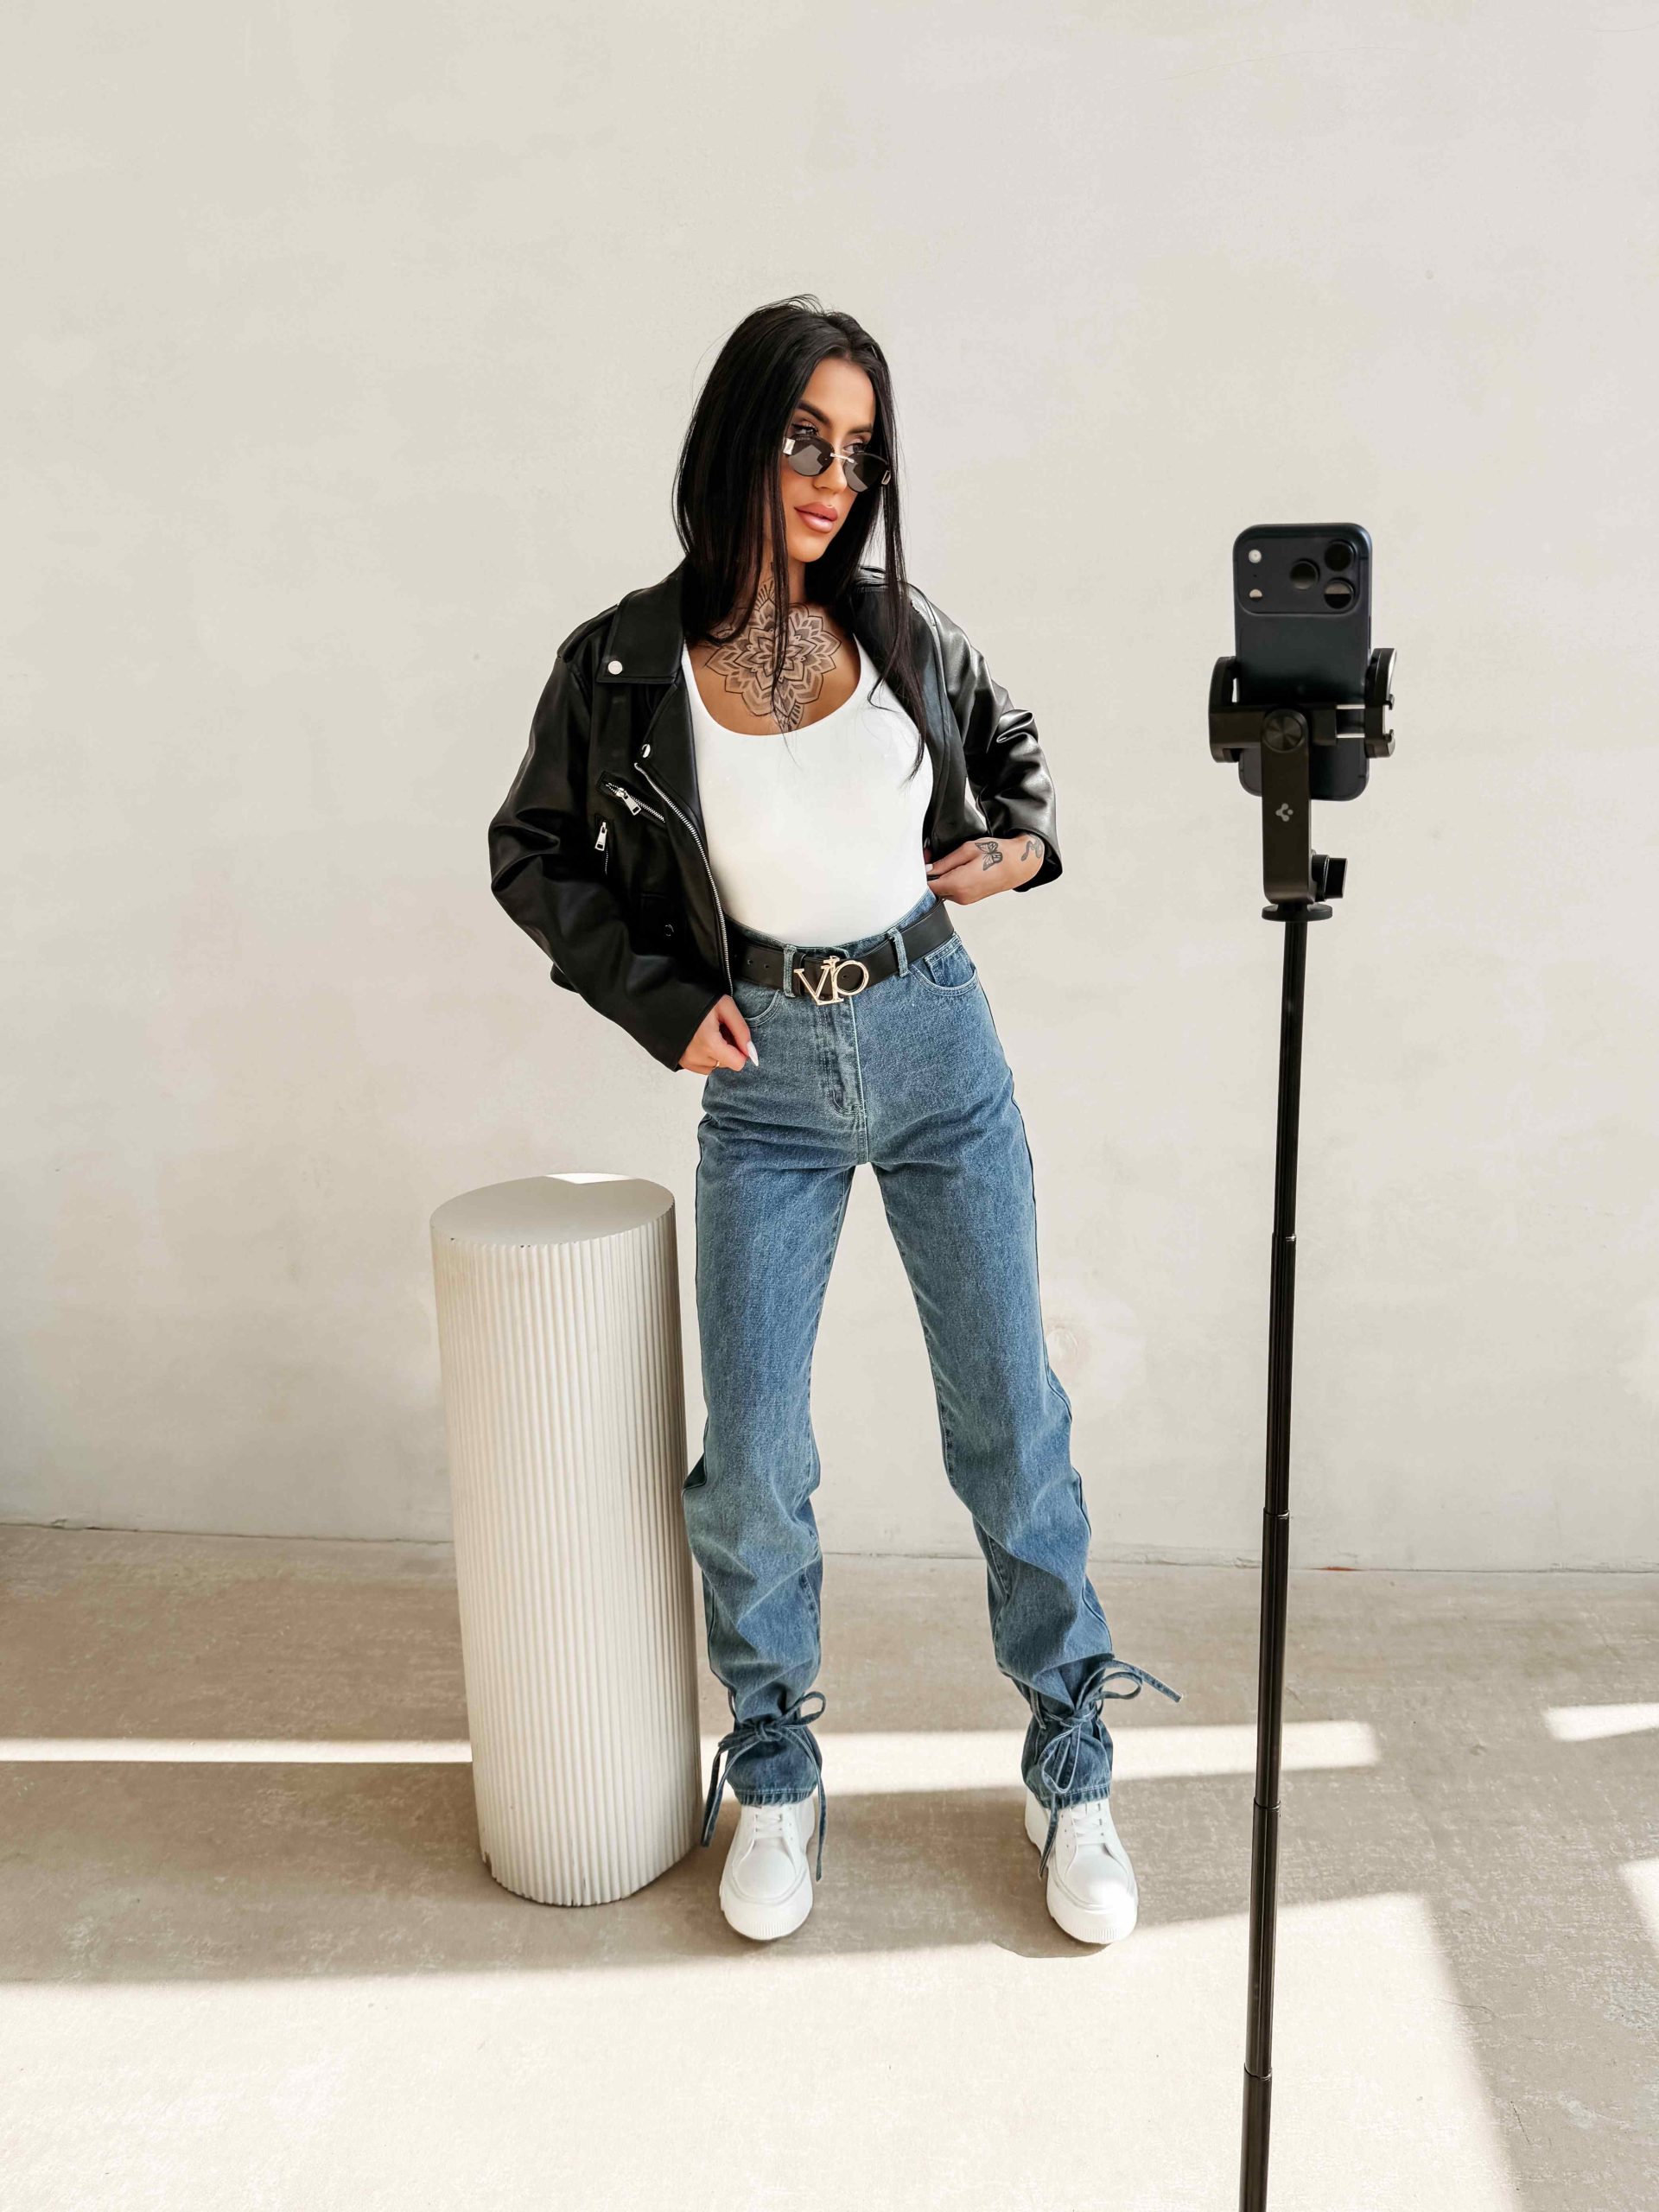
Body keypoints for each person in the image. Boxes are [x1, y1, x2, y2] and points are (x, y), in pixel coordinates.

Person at [488, 295, 1179, 1947]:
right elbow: (534, 852)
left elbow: (1013, 757)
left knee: (1009, 1417)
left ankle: (1069, 1752)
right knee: (757, 1456)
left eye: (859, 453)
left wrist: (1021, 846)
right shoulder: (623, 662)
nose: (832, 478)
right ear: (738, 434)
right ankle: (779, 1763)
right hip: (769, 1083)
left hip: (939, 1042)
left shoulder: (900, 627)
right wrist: (661, 1003)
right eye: (807, 438)